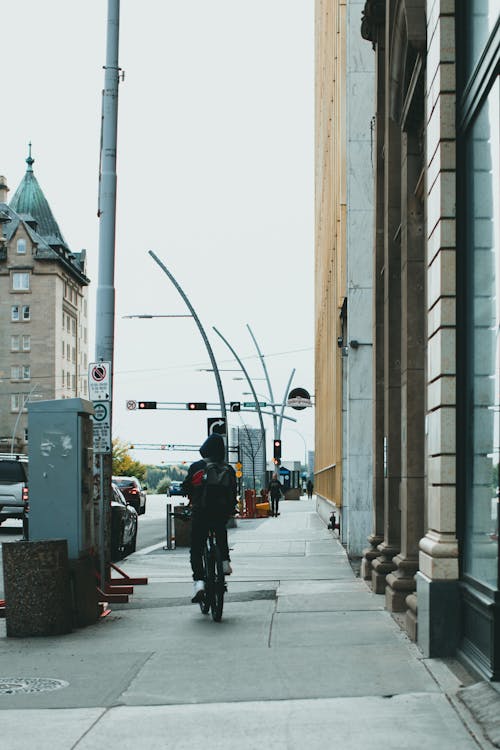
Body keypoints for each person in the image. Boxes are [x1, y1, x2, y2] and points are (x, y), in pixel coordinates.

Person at [181, 434, 237, 603]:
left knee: (197, 548)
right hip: (220, 513)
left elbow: (186, 486)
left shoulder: (197, 467)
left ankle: (199, 583)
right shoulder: (228, 469)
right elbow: (234, 492)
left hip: (201, 513)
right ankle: (225, 562)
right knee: (221, 533)